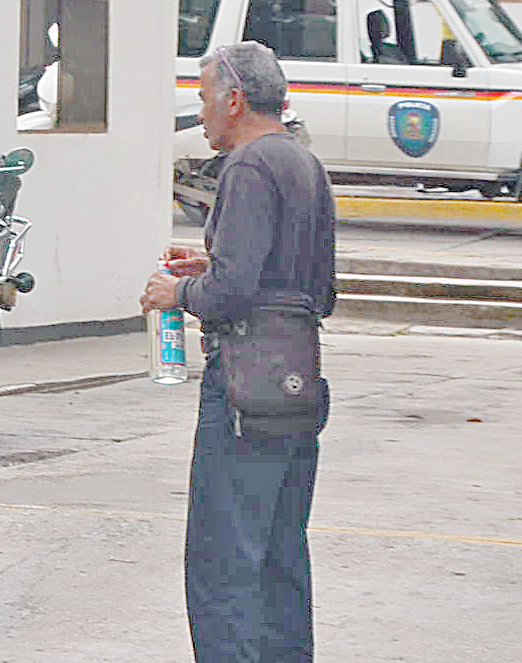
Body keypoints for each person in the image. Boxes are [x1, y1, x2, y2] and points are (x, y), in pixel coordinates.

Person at [141, 40, 337, 663]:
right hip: (297, 386)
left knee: (225, 561)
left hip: (243, 392)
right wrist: (215, 264)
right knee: (280, 555)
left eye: (203, 101)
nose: (200, 115)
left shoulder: (249, 167)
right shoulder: (303, 162)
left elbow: (230, 294)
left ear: (233, 99)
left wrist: (182, 288)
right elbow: (314, 287)